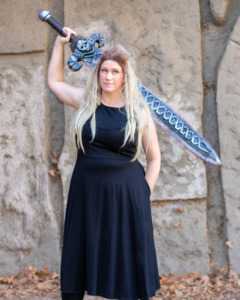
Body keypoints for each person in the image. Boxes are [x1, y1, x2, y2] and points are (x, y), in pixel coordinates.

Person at [48, 27, 161, 300]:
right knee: (79, 252)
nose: (108, 76)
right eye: (104, 70)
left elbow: (155, 157)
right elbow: (55, 83)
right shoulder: (85, 102)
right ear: (97, 73)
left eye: (115, 72)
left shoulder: (138, 111)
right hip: (87, 192)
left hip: (128, 196)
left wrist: (145, 192)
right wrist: (58, 46)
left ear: (124, 77)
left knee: (126, 261)